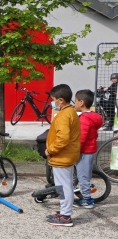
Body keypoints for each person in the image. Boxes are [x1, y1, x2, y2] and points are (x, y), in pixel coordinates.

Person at [45, 84, 80, 227]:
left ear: (61, 100)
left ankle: (66, 216)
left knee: (64, 186)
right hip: (66, 156)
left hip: (62, 157)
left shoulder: (64, 115)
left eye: (53, 100)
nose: (52, 103)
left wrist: (50, 150)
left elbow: (63, 139)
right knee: (62, 186)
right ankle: (63, 211)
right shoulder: (70, 112)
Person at [73, 90, 103, 209]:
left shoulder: (84, 119)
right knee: (83, 175)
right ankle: (84, 196)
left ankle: (87, 200)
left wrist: (74, 150)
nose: (74, 103)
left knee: (83, 177)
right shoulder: (93, 117)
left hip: (83, 152)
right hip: (89, 151)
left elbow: (81, 138)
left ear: (81, 102)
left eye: (75, 101)